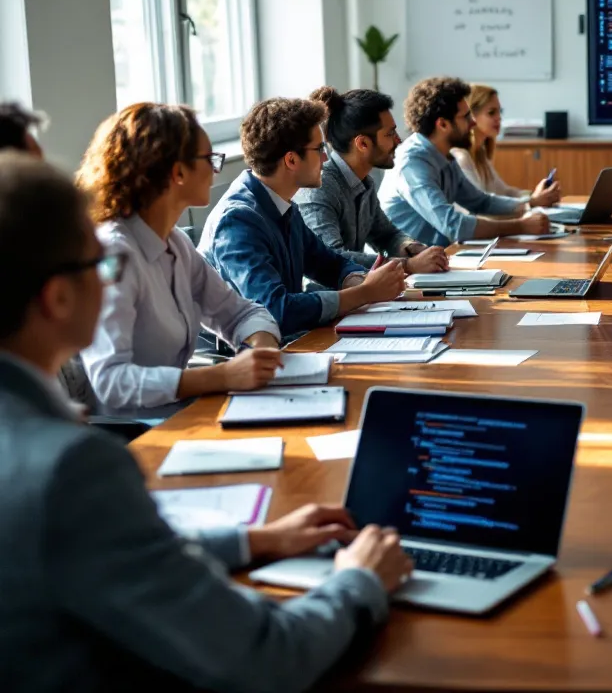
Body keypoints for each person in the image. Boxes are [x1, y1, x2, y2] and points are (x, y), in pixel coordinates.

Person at [0, 153, 413, 689]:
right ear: (56, 298)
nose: (110, 280)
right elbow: (266, 656)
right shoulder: (74, 469)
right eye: (101, 267)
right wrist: (359, 580)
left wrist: (252, 542)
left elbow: (102, 554)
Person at [74, 103, 285, 418]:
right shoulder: (114, 254)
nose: (216, 169)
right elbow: (110, 380)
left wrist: (260, 348)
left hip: (183, 416)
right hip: (137, 435)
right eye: (209, 159)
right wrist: (220, 376)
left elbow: (239, 313)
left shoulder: (176, 244)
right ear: (178, 172)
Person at [199, 97, 406, 339]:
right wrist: (365, 293)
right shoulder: (238, 221)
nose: (326, 159)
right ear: (291, 160)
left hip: (295, 343)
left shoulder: (283, 203)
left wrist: (360, 280)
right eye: (319, 150)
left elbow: (328, 262)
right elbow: (274, 310)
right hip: (249, 361)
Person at [378, 76, 555, 245]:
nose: (472, 123)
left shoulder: (444, 155)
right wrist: (521, 226)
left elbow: (481, 202)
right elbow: (453, 225)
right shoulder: (411, 163)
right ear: (443, 125)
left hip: (436, 258)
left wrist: (530, 203)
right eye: (466, 117)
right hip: (404, 268)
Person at [296, 87, 448, 274]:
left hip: (359, 294)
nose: (399, 141)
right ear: (363, 144)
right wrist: (408, 265)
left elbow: (387, 235)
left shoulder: (364, 183)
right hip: (326, 298)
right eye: (390, 133)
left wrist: (411, 247)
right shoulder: (320, 188)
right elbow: (331, 257)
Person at [452, 82, 563, 200]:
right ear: (471, 116)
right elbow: (482, 205)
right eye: (491, 112)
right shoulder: (461, 157)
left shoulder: (480, 153)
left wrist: (535, 195)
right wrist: (533, 200)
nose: (499, 118)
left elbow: (505, 191)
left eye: (500, 111)